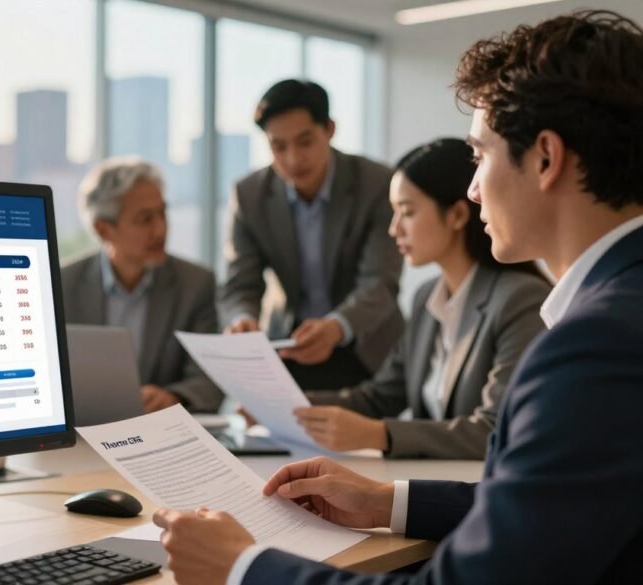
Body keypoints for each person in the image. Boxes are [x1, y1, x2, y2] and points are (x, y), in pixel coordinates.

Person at [155, 10, 643, 584]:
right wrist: (389, 501)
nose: (471, 186)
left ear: (544, 157)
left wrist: (242, 566)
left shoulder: (596, 344)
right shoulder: (616, 313)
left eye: (480, 155)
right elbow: (554, 506)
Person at [295, 138, 550, 459]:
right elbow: (379, 397)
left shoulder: (520, 299)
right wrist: (288, 403)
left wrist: (379, 434)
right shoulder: (426, 298)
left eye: (407, 212)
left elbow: (496, 428)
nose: (394, 229)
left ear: (457, 215)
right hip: (429, 483)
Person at [221, 79, 404, 390]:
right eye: (278, 146)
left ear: (329, 129)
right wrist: (241, 318)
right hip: (288, 345)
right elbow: (240, 283)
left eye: (304, 142)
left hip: (365, 344)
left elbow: (380, 282)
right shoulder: (249, 195)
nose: (293, 159)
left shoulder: (377, 184)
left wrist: (335, 327)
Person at [62, 157, 223, 413]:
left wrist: (172, 396)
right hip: (83, 433)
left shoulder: (195, 284)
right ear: (103, 230)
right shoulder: (61, 284)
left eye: (162, 213)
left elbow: (210, 379)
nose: (160, 230)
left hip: (161, 432)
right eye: (145, 219)